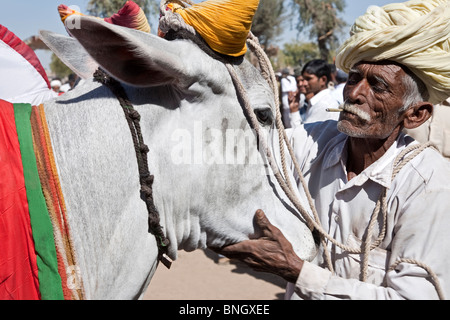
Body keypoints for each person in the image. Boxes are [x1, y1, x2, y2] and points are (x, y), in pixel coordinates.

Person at [214, 0, 450, 300]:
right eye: (353, 78)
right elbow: (241, 147)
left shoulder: (429, 185)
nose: (353, 93)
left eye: (377, 86)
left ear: (415, 115)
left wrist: (299, 272)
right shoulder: (318, 141)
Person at [300, 59, 341, 124]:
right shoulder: (317, 101)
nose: (303, 83)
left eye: (308, 79)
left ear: (323, 80)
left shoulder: (323, 105)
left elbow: (304, 133)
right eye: (303, 79)